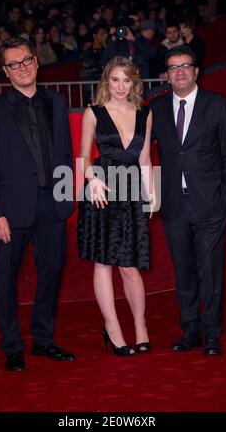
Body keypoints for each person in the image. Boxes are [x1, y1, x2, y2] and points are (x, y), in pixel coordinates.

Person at [0, 37, 75, 371]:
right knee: (6, 277)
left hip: (52, 204)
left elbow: (64, 153)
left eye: (27, 60)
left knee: (52, 271)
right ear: (5, 71)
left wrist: (65, 199)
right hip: (12, 208)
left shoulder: (57, 102)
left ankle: (43, 340)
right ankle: (12, 345)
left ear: (36, 61)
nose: (23, 67)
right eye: (14, 63)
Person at [150, 45, 226, 355]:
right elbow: (132, 145)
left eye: (186, 65)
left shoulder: (217, 105)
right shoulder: (157, 108)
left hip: (211, 204)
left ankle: (213, 333)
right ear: (167, 74)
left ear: (196, 71)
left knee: (210, 271)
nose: (180, 71)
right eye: (174, 67)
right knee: (184, 270)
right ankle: (190, 330)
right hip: (174, 204)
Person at [77, 56, 155, 356]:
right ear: (106, 80)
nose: (121, 86)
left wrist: (152, 195)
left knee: (130, 265)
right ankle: (113, 328)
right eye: (115, 79)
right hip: (102, 190)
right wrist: (91, 178)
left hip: (132, 190)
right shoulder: (93, 112)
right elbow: (83, 156)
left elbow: (145, 158)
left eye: (127, 80)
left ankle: (140, 325)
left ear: (134, 82)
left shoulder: (144, 113)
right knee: (104, 261)